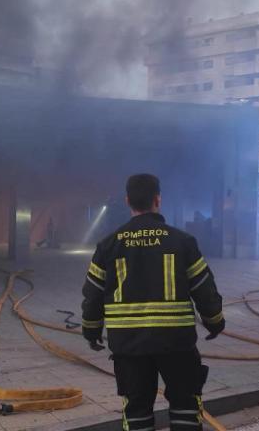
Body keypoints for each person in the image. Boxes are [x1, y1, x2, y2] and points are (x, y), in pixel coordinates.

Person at [82, 174, 225, 431]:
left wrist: (91, 332)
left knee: (136, 410)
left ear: (128, 201)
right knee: (185, 407)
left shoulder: (108, 246)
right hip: (177, 343)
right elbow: (205, 290)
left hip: (128, 346)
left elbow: (92, 295)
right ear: (158, 200)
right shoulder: (182, 242)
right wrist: (215, 322)